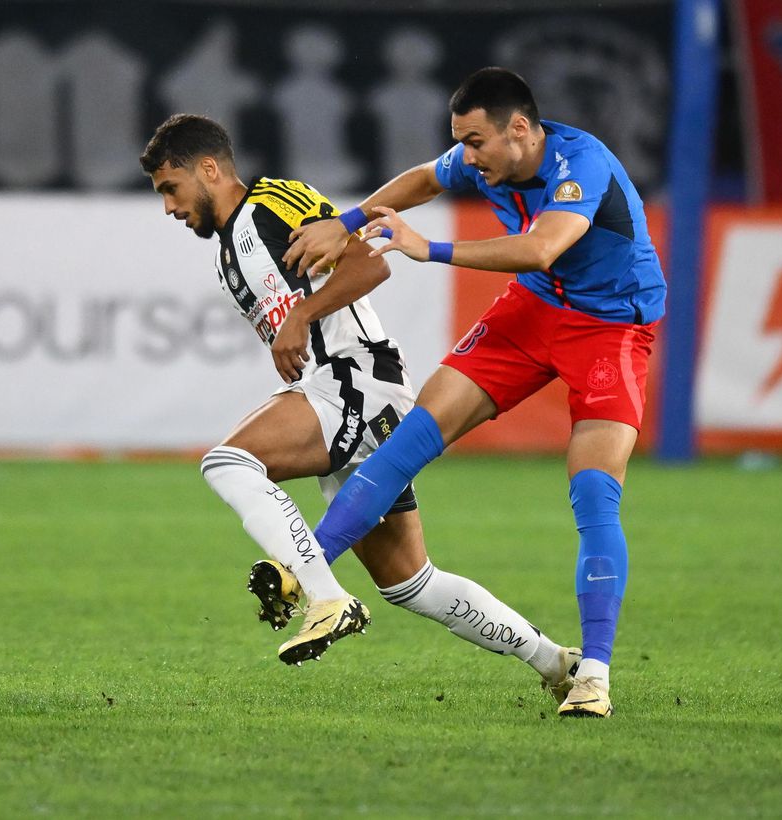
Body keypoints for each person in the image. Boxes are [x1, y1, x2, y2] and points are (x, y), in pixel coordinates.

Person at [139, 114, 581, 690]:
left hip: (357, 379)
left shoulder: (274, 202)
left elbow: (371, 262)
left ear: (209, 169)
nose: (169, 207)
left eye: (171, 189)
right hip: (337, 390)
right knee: (411, 582)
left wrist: (302, 315)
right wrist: (297, 322)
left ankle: (325, 597)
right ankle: (555, 663)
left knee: (228, 462)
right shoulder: (227, 252)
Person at [284, 67, 667, 718]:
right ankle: (307, 575)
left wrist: (426, 247)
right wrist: (346, 221)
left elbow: (542, 248)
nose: (466, 155)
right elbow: (425, 178)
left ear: (520, 128)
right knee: (406, 441)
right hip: (532, 312)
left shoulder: (581, 165)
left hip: (612, 327)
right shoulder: (481, 157)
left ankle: (594, 676)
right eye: (461, 140)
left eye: (475, 141)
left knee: (594, 495)